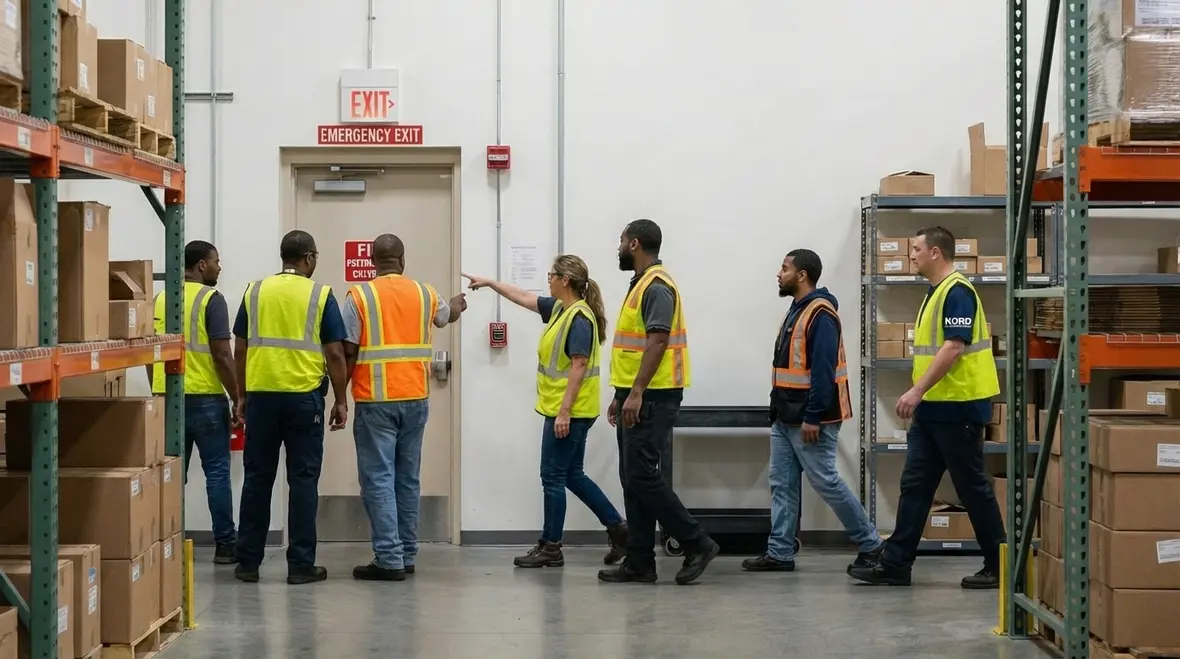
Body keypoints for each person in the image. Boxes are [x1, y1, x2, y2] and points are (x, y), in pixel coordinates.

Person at [848, 226, 1004, 589]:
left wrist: (915, 390)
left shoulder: (958, 291)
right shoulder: (935, 293)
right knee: (915, 485)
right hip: (934, 409)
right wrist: (921, 396)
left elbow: (953, 347)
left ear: (936, 253)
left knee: (972, 488)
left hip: (959, 407)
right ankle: (897, 563)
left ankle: (1000, 565)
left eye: (916, 249)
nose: (911, 255)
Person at [463, 255, 630, 569]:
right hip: (567, 408)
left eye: (551, 274)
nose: (548, 279)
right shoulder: (560, 309)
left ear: (565, 280)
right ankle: (619, 530)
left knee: (552, 476)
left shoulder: (579, 317)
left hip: (570, 410)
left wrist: (564, 412)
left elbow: (579, 366)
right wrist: (490, 283)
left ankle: (551, 546)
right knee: (572, 475)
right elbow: (523, 297)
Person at [741, 249, 883, 574]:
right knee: (782, 484)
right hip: (785, 415)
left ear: (802, 275)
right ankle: (780, 552)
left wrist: (813, 416)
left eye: (785, 268)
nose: (779, 273)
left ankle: (872, 544)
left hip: (809, 418)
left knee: (826, 482)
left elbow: (823, 370)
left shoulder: (821, 313)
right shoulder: (798, 309)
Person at [598, 219, 719, 586]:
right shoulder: (640, 285)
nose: (617, 247)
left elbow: (657, 341)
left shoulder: (656, 287)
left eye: (620, 241)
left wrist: (635, 393)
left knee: (641, 476)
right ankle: (639, 561)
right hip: (637, 395)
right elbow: (633, 347)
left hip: (653, 396)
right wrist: (621, 394)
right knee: (631, 478)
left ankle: (697, 543)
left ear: (634, 244)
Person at [341, 234, 467, 581]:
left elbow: (348, 350)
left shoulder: (359, 295)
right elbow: (448, 316)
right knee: (407, 479)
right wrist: (457, 304)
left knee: (378, 479)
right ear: (402, 259)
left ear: (371, 261)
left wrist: (339, 395)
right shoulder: (426, 293)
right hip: (415, 398)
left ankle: (389, 558)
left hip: (375, 400)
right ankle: (407, 554)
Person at [231, 229, 350, 585]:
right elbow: (334, 352)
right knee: (302, 482)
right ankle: (300, 565)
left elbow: (240, 348)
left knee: (256, 479)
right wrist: (341, 399)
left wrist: (241, 394)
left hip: (261, 399)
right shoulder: (320, 294)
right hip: (303, 400)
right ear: (309, 258)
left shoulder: (254, 292)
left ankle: (247, 563)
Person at [149, 240, 240, 564]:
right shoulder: (211, 300)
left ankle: (164, 543)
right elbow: (222, 355)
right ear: (201, 265)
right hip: (205, 398)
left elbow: (150, 353)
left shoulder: (160, 299)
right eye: (216, 261)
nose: (219, 267)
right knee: (216, 473)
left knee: (171, 474)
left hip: (167, 399)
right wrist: (237, 396)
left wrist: (157, 390)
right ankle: (226, 544)